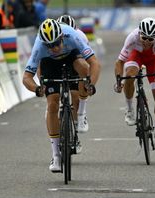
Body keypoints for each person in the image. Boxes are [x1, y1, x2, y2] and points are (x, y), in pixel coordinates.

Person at [22, 19, 98, 172]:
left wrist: (91, 84)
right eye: (50, 45)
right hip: (49, 63)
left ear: (62, 37)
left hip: (71, 57)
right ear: (44, 43)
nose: (55, 48)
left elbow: (95, 63)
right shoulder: (40, 46)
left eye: (57, 43)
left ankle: (81, 113)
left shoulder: (73, 36)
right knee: (52, 104)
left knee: (83, 68)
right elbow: (26, 78)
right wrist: (37, 89)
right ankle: (56, 155)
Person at [114, 17, 155, 151]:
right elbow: (119, 62)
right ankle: (129, 109)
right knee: (129, 76)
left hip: (153, 60)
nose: (146, 41)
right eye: (144, 38)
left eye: (151, 39)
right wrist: (119, 80)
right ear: (139, 33)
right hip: (135, 56)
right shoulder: (132, 37)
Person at [57, 14, 100, 133]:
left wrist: (88, 81)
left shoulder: (80, 36)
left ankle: (80, 116)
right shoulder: (54, 37)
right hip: (58, 60)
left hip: (75, 59)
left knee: (76, 97)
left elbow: (88, 61)